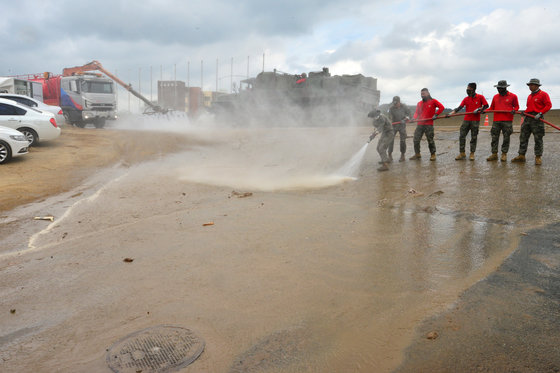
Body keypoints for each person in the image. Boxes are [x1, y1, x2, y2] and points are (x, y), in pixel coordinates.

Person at [511, 78, 552, 165]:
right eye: (529, 85)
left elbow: (548, 105)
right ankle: (521, 156)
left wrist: (540, 113)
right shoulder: (530, 96)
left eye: (531, 85)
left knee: (538, 138)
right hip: (528, 118)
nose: (530, 87)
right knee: (523, 137)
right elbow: (529, 107)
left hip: (537, 119)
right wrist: (524, 113)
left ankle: (538, 157)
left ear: (537, 86)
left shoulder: (543, 94)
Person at [448, 83, 489, 161]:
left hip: (475, 121)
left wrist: (480, 109)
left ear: (473, 89)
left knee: (474, 137)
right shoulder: (466, 99)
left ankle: (472, 153)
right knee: (462, 136)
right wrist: (450, 113)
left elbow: (486, 105)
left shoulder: (480, 97)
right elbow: (459, 108)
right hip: (466, 120)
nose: (467, 90)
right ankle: (462, 153)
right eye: (467, 89)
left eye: (469, 89)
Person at [486, 80, 519, 162]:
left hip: (507, 121)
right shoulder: (495, 97)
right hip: (496, 121)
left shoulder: (513, 96)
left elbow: (517, 107)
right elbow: (491, 108)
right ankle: (494, 154)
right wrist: (483, 110)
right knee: (494, 137)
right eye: (498, 88)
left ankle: (504, 154)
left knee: (506, 138)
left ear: (505, 88)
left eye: (500, 88)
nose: (499, 89)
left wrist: (514, 110)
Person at [409, 88, 445, 161]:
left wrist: (436, 114)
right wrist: (413, 118)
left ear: (428, 93)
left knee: (430, 140)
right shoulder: (419, 103)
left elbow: (442, 107)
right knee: (416, 139)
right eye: (421, 94)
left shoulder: (433, 101)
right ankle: (417, 154)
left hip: (429, 124)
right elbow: (417, 113)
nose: (422, 95)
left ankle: (433, 154)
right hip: (420, 124)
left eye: (424, 94)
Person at [388, 96, 411, 162]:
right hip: (394, 125)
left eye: (396, 103)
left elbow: (409, 114)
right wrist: (390, 121)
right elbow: (389, 116)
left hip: (402, 125)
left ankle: (402, 155)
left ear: (399, 102)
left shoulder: (404, 107)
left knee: (403, 140)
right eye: (394, 104)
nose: (395, 105)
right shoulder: (391, 108)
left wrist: (406, 119)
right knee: (390, 140)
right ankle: (389, 155)